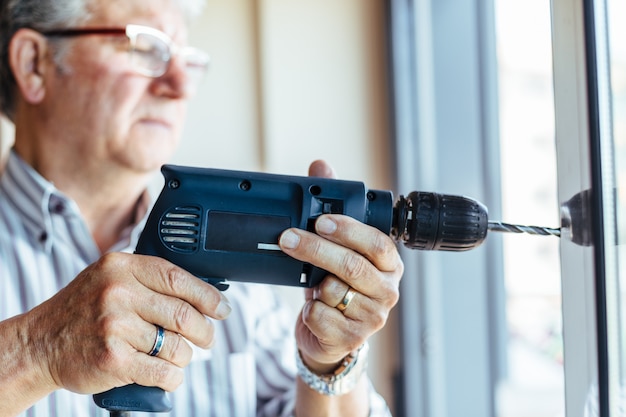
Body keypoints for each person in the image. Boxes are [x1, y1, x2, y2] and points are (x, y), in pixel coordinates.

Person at [0, 0, 403, 416]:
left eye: (186, 60)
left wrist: (329, 363)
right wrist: (39, 349)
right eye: (146, 48)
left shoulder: (234, 254)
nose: (179, 85)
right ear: (34, 63)